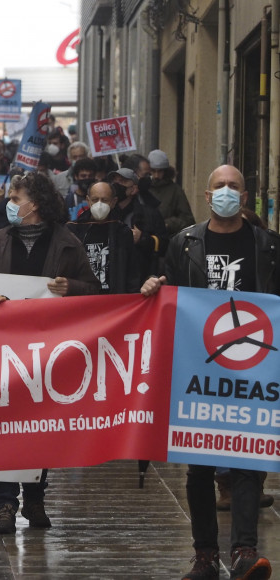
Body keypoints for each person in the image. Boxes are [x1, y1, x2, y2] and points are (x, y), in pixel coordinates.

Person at [141, 164, 275, 580]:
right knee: (198, 466)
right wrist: (152, 291)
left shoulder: (268, 245)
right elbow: (170, 298)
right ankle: (204, 555)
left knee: (249, 461)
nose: (227, 192)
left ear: (246, 195)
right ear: (206, 194)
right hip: (199, 369)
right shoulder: (184, 244)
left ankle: (245, 552)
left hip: (253, 367)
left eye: (234, 186)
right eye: (220, 186)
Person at [0, 171, 99, 535]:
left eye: (17, 197)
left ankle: (35, 495)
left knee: (39, 426)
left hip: (47, 353)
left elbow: (93, 291)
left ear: (36, 204)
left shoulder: (69, 244)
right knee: (4, 428)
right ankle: (5, 503)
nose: (10, 204)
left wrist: (71, 287)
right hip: (3, 350)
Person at [66, 181, 141, 294]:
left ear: (113, 202)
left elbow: (132, 273)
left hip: (112, 299)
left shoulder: (122, 232)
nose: (99, 204)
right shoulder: (73, 229)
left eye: (104, 200)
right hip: (81, 298)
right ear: (88, 200)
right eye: (95, 200)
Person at [108, 167, 168, 279]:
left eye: (123, 181)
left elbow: (164, 245)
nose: (117, 185)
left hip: (140, 275)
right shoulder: (106, 213)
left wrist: (142, 238)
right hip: (112, 274)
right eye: (115, 181)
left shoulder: (150, 214)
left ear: (134, 189)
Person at [147, 149, 195, 236]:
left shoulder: (176, 191)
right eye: (153, 171)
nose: (156, 175)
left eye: (160, 171)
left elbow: (188, 220)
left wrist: (169, 224)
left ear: (165, 171)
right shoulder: (143, 189)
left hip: (168, 240)